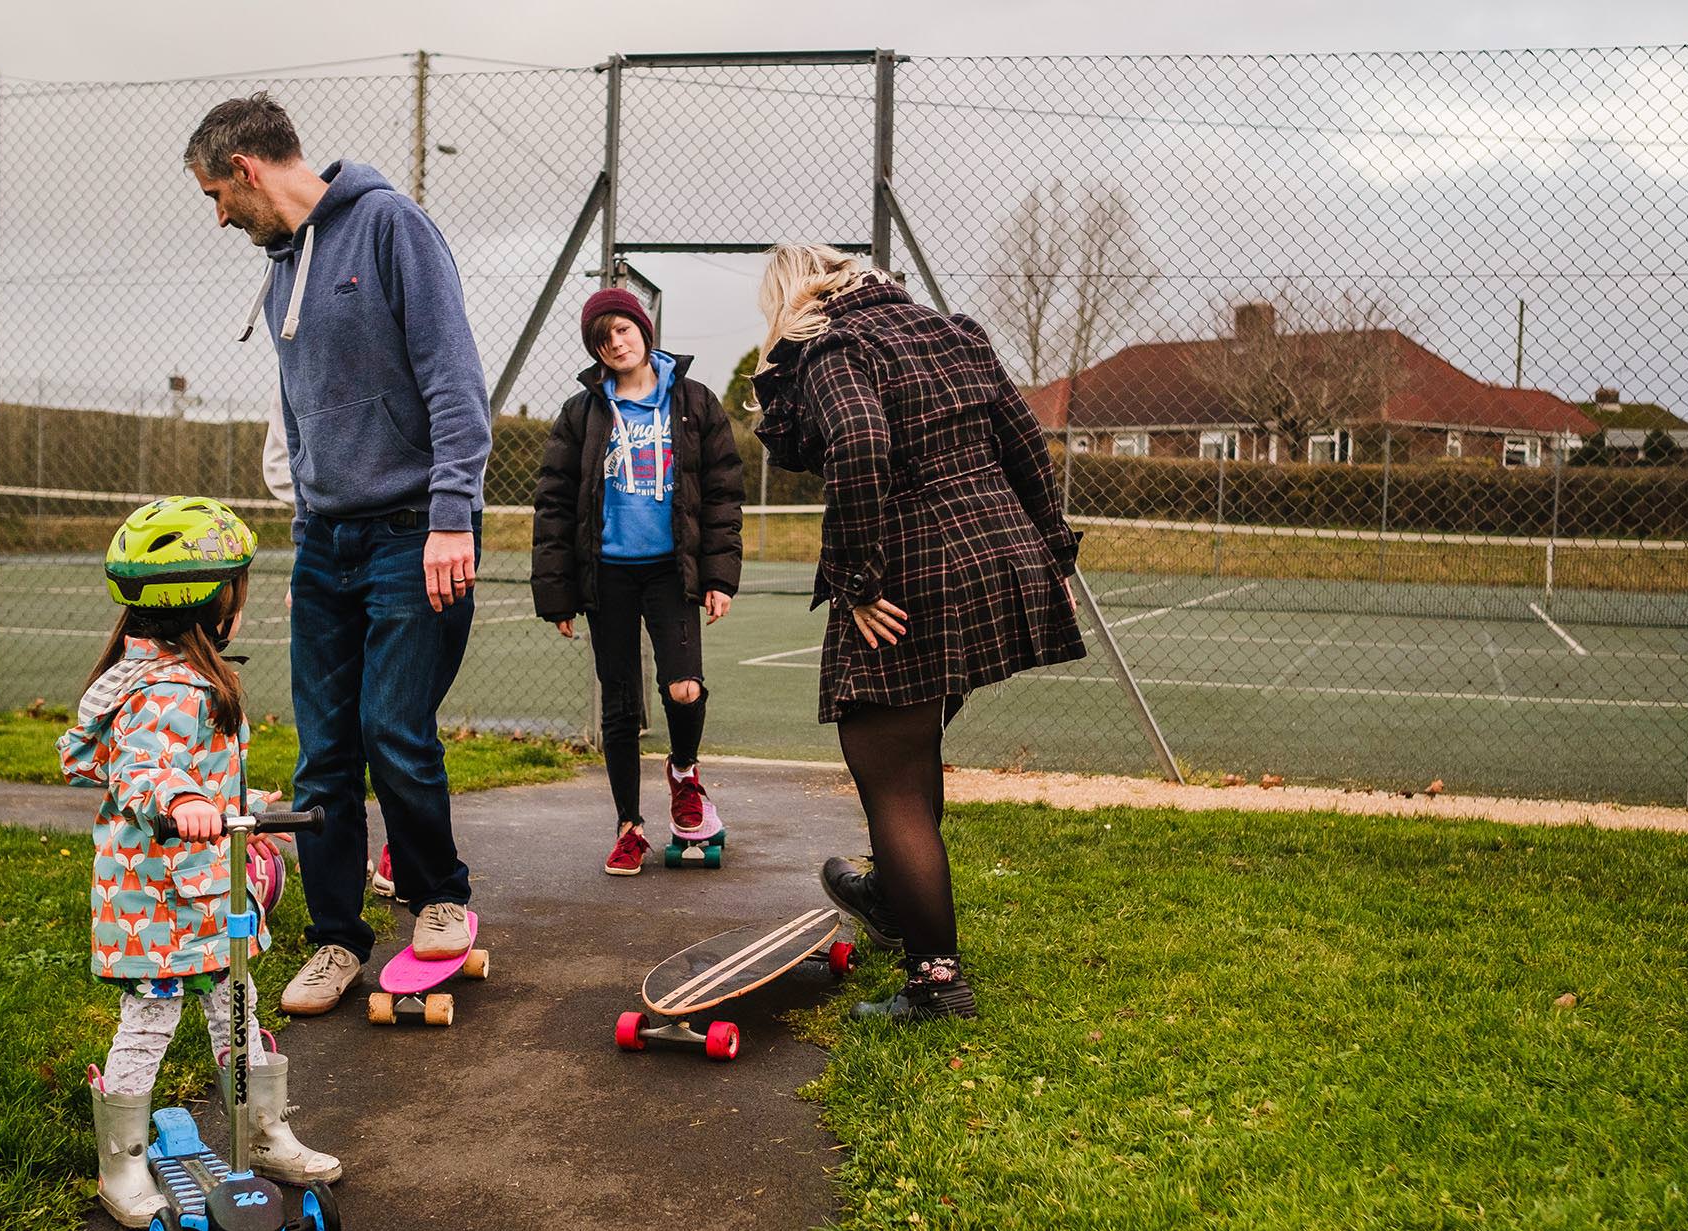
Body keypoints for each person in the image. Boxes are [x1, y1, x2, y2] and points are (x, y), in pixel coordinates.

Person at [185, 92, 493, 1014]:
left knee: (395, 733)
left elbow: (453, 378)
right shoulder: (282, 269)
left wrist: (451, 514)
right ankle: (334, 939)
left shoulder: (392, 226)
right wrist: (307, 534)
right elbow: (304, 416)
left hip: (412, 533)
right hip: (324, 544)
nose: (217, 215)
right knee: (324, 754)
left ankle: (439, 900)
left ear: (245, 169)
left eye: (214, 193)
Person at [749, 246, 1087, 1022]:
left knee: (888, 771)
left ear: (795, 296)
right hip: (996, 554)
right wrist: (1053, 549)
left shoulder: (837, 349)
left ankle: (936, 981)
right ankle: (893, 897)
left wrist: (858, 580)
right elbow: (1023, 441)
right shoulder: (953, 330)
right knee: (910, 744)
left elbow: (858, 446)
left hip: (915, 571)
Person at [60, 496, 340, 1228]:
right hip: (156, 904)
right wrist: (184, 798)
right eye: (236, 595)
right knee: (150, 1019)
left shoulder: (179, 671)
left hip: (208, 894)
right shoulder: (155, 690)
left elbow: (181, 762)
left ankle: (264, 1134)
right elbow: (147, 765)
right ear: (209, 605)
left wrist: (230, 796)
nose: (239, 609)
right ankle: (120, 1162)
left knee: (238, 1011)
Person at [531, 289, 745, 872]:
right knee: (621, 706)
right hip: (608, 576)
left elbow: (723, 493)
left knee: (684, 687)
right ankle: (629, 826)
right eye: (603, 339)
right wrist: (558, 593)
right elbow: (553, 505)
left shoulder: (694, 402)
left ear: (644, 330)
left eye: (623, 329)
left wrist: (719, 576)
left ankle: (683, 774)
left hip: (671, 572)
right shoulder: (582, 413)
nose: (616, 343)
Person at [262, 384, 400, 905]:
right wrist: (313, 543)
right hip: (324, 544)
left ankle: (400, 848)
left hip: (399, 543)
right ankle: (345, 859)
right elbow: (281, 460)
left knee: (392, 721)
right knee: (328, 740)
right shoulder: (296, 361)